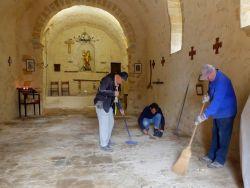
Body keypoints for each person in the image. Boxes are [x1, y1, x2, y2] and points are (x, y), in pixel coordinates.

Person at [195, 64, 237, 168]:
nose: (207, 79)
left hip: (226, 112)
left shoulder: (222, 81)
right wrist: (208, 96)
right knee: (215, 134)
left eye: (207, 77)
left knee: (223, 137)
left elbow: (216, 102)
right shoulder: (212, 79)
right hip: (218, 113)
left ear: (212, 72)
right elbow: (211, 92)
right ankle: (211, 156)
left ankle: (219, 160)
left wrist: (203, 116)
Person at [94, 71, 128, 151]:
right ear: (119, 77)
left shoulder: (116, 83)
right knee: (104, 125)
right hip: (102, 104)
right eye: (122, 81)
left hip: (108, 105)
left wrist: (120, 108)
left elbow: (116, 98)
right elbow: (101, 90)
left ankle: (106, 140)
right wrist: (113, 93)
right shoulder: (108, 79)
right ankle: (103, 145)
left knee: (111, 123)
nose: (121, 83)